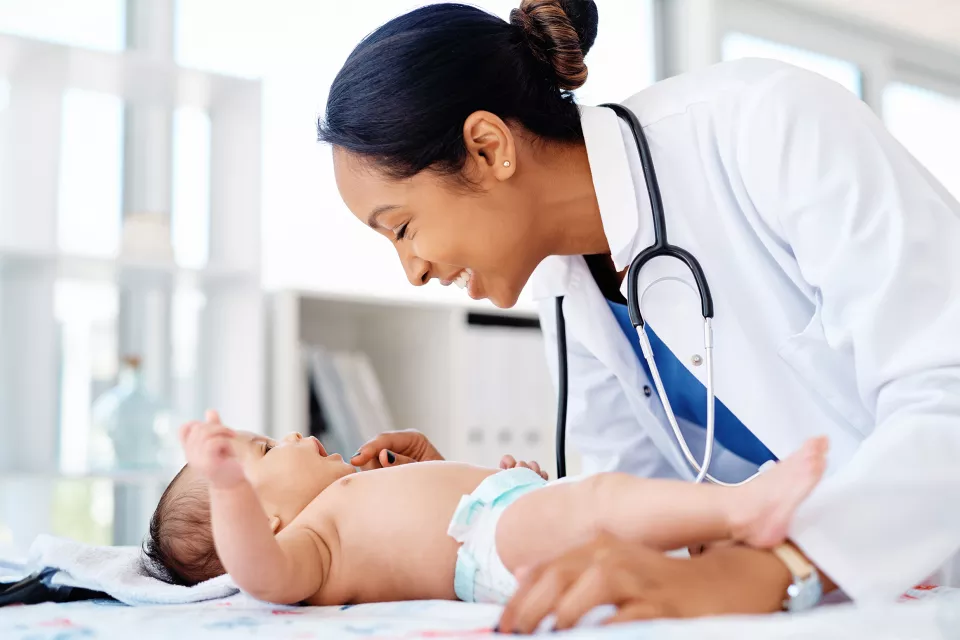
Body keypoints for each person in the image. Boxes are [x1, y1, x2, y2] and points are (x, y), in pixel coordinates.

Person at [319, 0, 960, 631]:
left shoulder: (768, 125)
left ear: (488, 148)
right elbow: (626, 511)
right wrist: (460, 501)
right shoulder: (565, 285)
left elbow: (946, 396)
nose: (414, 270)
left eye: (401, 228)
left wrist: (765, 570)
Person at [142, 411, 826, 609]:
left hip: (508, 516)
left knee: (601, 499)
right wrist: (228, 488)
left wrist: (511, 485)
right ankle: (740, 509)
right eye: (265, 448)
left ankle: (719, 538)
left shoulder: (347, 497)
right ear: (264, 523)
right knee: (600, 502)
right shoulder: (307, 550)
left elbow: (433, 508)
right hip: (489, 547)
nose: (290, 435)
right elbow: (258, 574)